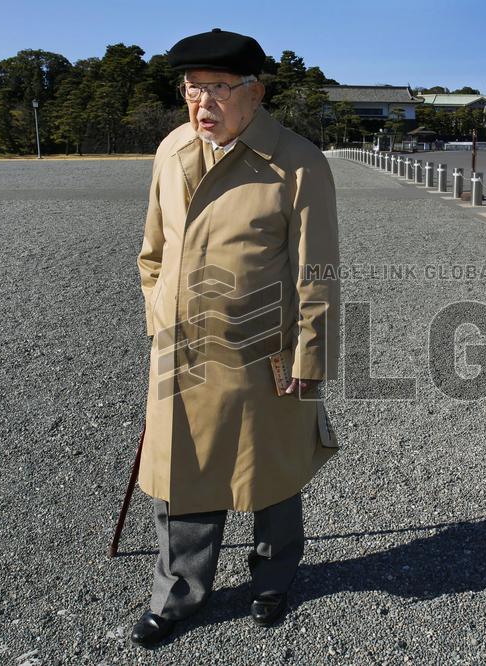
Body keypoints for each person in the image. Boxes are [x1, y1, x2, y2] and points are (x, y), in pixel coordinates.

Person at [130, 28, 341, 648]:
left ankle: (273, 579)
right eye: (193, 89)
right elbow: (151, 252)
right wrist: (158, 316)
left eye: (218, 89)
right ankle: (178, 594)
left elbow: (318, 270)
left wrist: (310, 352)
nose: (202, 103)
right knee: (181, 474)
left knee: (271, 474)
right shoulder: (172, 149)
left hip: (264, 352)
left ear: (256, 92)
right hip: (181, 352)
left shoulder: (297, 163)